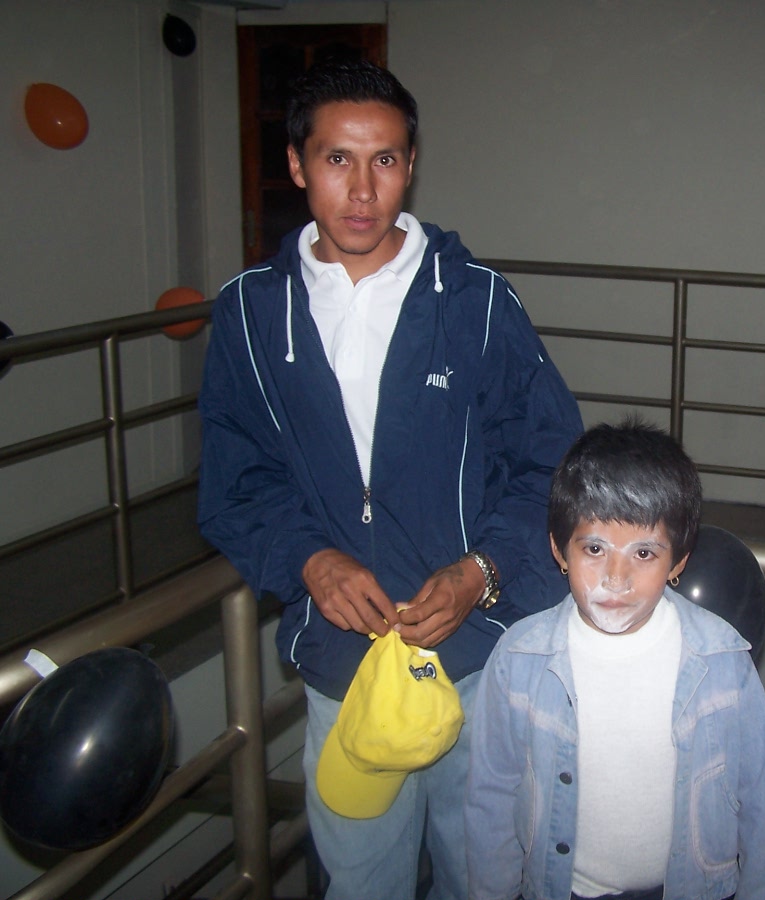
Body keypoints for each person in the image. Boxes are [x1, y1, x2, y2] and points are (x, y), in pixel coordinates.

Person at [197, 57, 582, 900]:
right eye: (337, 159)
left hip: (475, 660)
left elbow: (553, 464)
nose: (363, 190)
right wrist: (309, 559)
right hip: (343, 665)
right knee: (362, 881)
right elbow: (237, 477)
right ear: (298, 165)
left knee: (485, 878)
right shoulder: (252, 312)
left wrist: (483, 571)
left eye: (385, 160)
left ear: (411, 165)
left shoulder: (477, 302)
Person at [465, 421, 765, 900]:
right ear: (559, 550)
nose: (616, 578)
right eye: (595, 549)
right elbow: (492, 799)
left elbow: (758, 807)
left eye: (644, 553)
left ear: (678, 562)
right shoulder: (518, 660)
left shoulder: (724, 664)